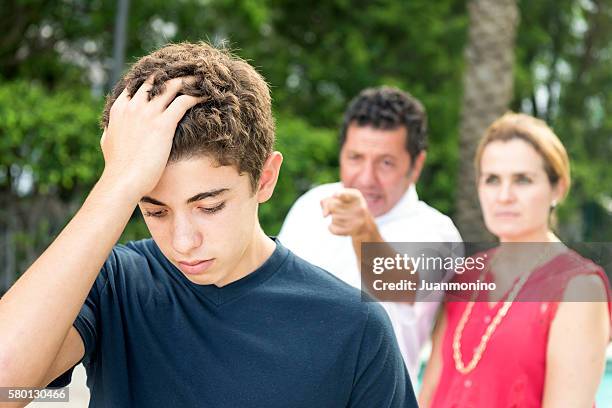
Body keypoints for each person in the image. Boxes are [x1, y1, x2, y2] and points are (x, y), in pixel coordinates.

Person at [0, 42, 418, 407]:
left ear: (265, 179)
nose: (183, 242)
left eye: (210, 207)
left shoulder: (359, 323)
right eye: (155, 210)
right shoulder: (115, 286)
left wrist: (368, 235)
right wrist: (117, 185)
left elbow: (419, 295)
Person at [419, 112, 611, 407]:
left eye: (523, 180)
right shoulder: (465, 275)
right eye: (492, 180)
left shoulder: (579, 288)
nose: (504, 196)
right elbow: (430, 389)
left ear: (557, 188)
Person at [278, 86, 462, 382]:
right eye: (355, 157)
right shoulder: (310, 205)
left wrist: (362, 228)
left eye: (385, 163)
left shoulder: (438, 231)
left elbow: (399, 286)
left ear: (416, 166)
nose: (365, 178)